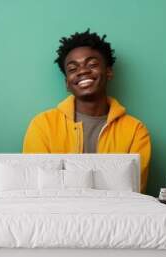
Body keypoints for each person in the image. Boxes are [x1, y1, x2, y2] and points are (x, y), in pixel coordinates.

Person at [22, 29, 151, 193]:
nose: (82, 71)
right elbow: (37, 188)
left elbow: (132, 190)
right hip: (56, 216)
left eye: (92, 64)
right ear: (67, 83)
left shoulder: (135, 131)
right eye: (72, 69)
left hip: (114, 217)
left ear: (109, 71)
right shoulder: (42, 126)